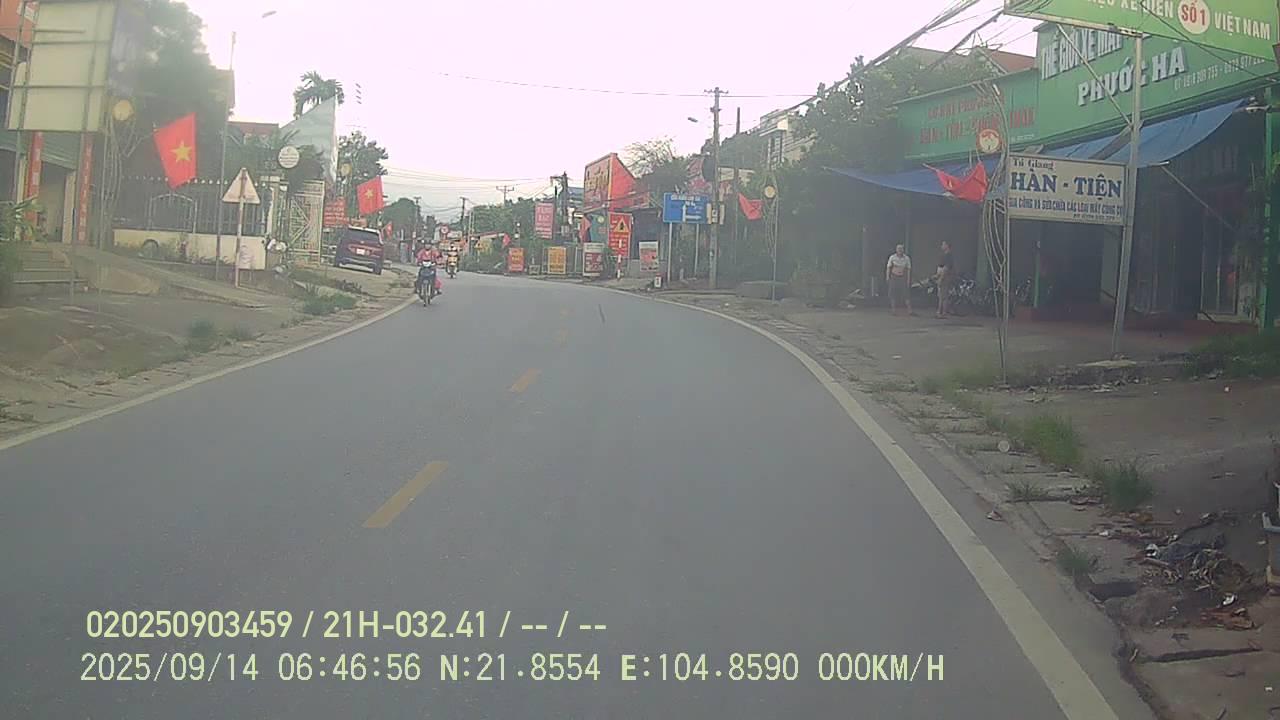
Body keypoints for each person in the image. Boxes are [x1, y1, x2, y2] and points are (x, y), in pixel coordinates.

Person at [886, 244, 913, 315]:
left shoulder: (906, 258)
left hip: (902, 277)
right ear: (896, 250)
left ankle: (909, 310)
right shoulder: (892, 257)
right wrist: (887, 277)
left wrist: (908, 280)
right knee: (892, 293)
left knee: (906, 293)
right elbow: (888, 267)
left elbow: (909, 269)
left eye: (901, 248)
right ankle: (893, 310)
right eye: (898, 249)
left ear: (903, 250)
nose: (900, 250)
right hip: (894, 276)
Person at [936, 240, 954, 318]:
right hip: (942, 276)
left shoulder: (948, 256)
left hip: (945, 277)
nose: (942, 246)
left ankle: (942, 312)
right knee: (941, 295)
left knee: (943, 296)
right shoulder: (945, 255)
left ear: (947, 246)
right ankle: (941, 312)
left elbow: (946, 268)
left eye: (943, 244)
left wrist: (941, 278)